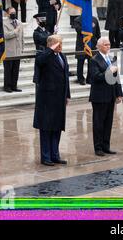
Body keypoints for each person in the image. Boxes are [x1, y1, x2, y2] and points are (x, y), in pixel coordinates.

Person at [33, 35, 70, 166]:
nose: (60, 46)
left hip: (59, 98)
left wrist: (67, 95)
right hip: (47, 99)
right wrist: (50, 49)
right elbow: (39, 61)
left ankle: (55, 155)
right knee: (46, 128)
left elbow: (66, 77)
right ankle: (46, 157)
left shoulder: (62, 56)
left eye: (61, 43)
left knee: (57, 128)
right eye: (57, 43)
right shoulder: (44, 55)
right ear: (50, 45)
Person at [89, 37, 123, 157]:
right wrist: (109, 71)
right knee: (99, 123)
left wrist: (119, 93)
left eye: (109, 44)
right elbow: (96, 76)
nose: (108, 47)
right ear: (98, 46)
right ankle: (98, 147)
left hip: (110, 95)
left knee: (108, 122)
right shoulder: (94, 60)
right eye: (105, 45)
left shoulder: (111, 58)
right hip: (99, 96)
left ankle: (106, 146)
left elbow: (116, 77)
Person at [74, 16, 101, 85]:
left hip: (92, 45)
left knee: (91, 63)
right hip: (81, 45)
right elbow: (79, 30)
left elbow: (98, 33)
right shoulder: (78, 20)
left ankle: (89, 78)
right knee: (80, 62)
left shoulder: (94, 19)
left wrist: (98, 42)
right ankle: (80, 78)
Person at [3, 7, 23, 93]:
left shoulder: (19, 23)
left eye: (14, 12)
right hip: (8, 51)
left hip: (17, 50)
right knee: (8, 70)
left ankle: (14, 85)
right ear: (7, 14)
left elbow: (22, 36)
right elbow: (6, 35)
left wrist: (22, 47)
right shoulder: (4, 23)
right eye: (11, 13)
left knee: (16, 69)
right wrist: (15, 31)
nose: (13, 14)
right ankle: (7, 86)